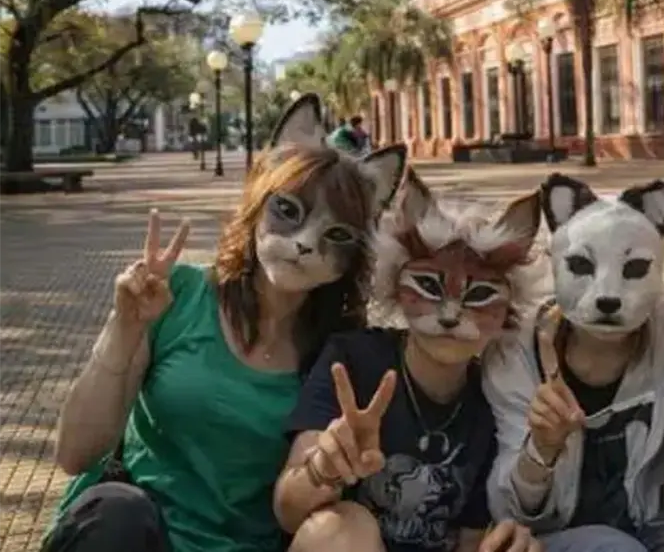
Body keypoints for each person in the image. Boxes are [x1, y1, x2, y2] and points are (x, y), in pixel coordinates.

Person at [44, 94, 406, 552]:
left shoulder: (339, 351)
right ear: (257, 203)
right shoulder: (174, 295)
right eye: (288, 210)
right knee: (118, 514)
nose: (303, 242)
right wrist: (124, 329)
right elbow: (74, 454)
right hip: (135, 535)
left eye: (336, 234)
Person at [275, 165, 544, 552]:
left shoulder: (492, 396)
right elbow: (288, 510)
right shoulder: (353, 360)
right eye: (430, 286)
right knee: (339, 528)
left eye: (480, 294)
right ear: (395, 288)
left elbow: (470, 536)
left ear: (508, 312)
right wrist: (326, 466)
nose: (451, 314)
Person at [484, 174, 664, 552]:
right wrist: (541, 449)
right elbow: (509, 511)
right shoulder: (514, 355)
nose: (607, 293)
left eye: (634, 270)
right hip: (556, 539)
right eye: (581, 267)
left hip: (654, 529)